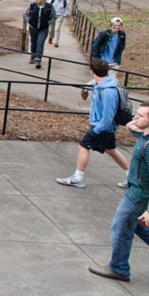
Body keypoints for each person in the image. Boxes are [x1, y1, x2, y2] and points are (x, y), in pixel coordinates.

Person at [89, 102, 149, 282]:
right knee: (136, 226)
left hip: (138, 196)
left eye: (141, 116)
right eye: (136, 114)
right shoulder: (144, 135)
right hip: (134, 192)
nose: (135, 118)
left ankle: (119, 268)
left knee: (121, 228)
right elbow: (132, 127)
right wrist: (135, 124)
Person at [56, 58, 131, 189]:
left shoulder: (108, 91)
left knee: (83, 147)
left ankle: (78, 178)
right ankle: (131, 177)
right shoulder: (101, 85)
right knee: (111, 150)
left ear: (92, 72)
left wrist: (96, 130)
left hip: (102, 127)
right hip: (103, 126)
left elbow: (108, 116)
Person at [24, 0, 56, 70]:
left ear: (43, 0)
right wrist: (29, 21)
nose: (36, 0)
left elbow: (54, 17)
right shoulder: (32, 6)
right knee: (33, 42)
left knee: (40, 43)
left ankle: (38, 59)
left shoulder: (49, 7)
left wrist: (47, 23)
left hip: (43, 28)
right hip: (33, 27)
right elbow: (26, 14)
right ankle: (33, 55)